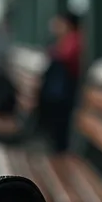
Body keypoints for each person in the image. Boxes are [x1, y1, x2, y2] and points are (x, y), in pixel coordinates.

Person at [39, 10, 83, 153]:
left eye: (59, 22)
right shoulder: (64, 40)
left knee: (60, 127)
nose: (54, 26)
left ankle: (59, 150)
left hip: (64, 93)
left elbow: (65, 57)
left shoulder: (74, 39)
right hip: (60, 93)